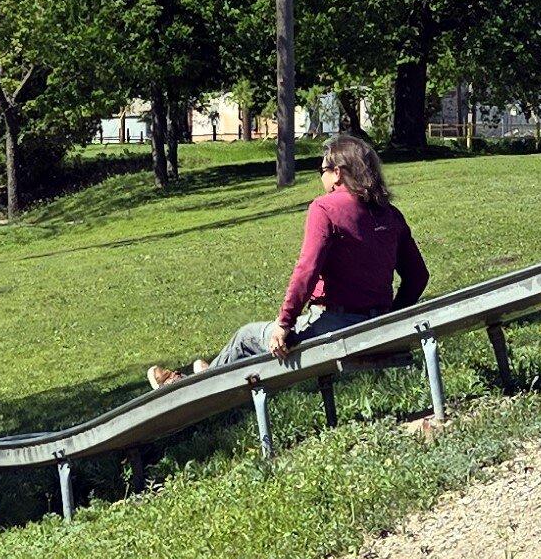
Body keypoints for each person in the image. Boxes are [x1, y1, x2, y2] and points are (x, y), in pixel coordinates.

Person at [148, 133, 429, 387]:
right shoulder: (390, 213)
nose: (321, 179)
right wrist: (390, 316)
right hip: (377, 324)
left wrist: (284, 323)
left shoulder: (325, 208)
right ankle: (204, 376)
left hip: (335, 325)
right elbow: (417, 276)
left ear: (339, 173)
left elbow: (307, 270)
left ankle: (191, 388)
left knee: (246, 337)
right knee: (247, 340)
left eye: (322, 171)